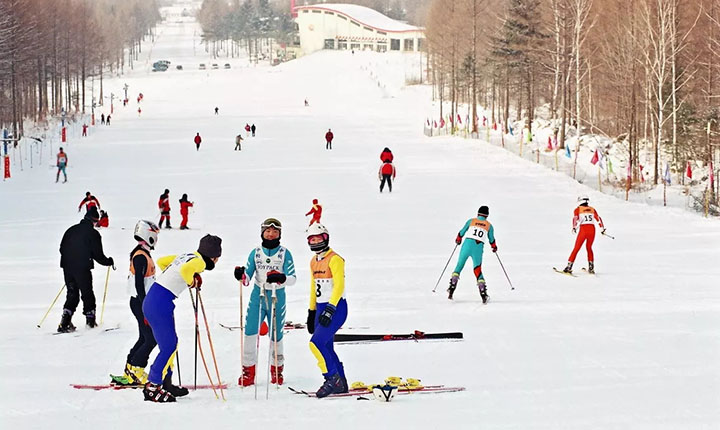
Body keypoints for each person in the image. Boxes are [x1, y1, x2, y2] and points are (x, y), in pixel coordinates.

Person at [142, 234, 222, 402]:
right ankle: (152, 385)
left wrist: (176, 277)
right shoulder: (199, 262)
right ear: (214, 257)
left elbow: (163, 261)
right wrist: (191, 282)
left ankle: (166, 382)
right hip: (159, 304)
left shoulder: (187, 255)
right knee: (169, 345)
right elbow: (186, 271)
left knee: (170, 343)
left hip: (154, 300)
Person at [234, 218, 297, 386]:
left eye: (275, 231)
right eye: (268, 231)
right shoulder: (255, 252)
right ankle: (248, 371)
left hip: (277, 296)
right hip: (258, 295)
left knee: (276, 334)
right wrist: (241, 274)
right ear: (262, 232)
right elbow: (247, 278)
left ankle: (277, 370)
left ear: (279, 234)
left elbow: (293, 278)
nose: (271, 234)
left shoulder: (285, 253)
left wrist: (282, 278)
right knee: (250, 331)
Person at [111, 220, 160, 387]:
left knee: (144, 337)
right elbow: (139, 284)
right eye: (155, 234)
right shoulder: (140, 256)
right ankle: (136, 370)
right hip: (140, 303)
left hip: (141, 302)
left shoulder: (142, 252)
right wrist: (146, 307)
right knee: (151, 338)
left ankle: (130, 368)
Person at [305, 223, 348, 398]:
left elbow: (339, 286)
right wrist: (311, 311)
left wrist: (331, 308)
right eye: (312, 239)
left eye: (318, 238)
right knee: (327, 346)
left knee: (315, 343)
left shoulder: (335, 259)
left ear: (326, 238)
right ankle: (341, 382)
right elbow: (313, 287)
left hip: (336, 308)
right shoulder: (313, 262)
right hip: (321, 307)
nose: (315, 242)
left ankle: (331, 377)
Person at [57, 206, 115, 332]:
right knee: (87, 294)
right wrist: (108, 262)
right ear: (94, 221)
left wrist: (70, 260)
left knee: (72, 293)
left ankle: (65, 322)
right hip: (82, 268)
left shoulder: (70, 230)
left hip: (67, 267)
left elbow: (61, 249)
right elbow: (98, 255)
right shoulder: (93, 234)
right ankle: (90, 322)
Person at [447, 206, 497, 303]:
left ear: (478, 213)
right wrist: (494, 247)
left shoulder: (471, 221)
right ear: (487, 215)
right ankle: (483, 292)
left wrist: (458, 239)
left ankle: (452, 287)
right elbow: (492, 239)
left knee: (459, 266)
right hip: (478, 248)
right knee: (477, 270)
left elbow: (461, 232)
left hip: (466, 245)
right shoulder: (489, 226)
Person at [563, 196, 605, 274]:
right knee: (589, 248)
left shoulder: (577, 209)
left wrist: (574, 227)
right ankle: (591, 267)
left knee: (576, 248)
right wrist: (602, 229)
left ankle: (569, 267)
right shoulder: (592, 209)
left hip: (583, 230)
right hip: (592, 230)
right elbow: (598, 218)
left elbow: (575, 218)